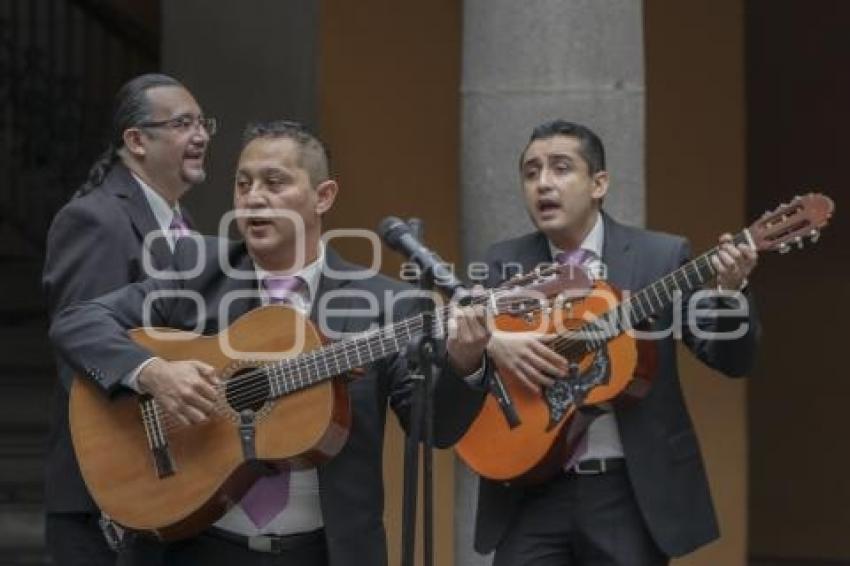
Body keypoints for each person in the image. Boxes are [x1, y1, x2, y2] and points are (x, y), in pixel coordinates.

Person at [49, 120, 489, 566]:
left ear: (324, 197)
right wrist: (153, 373)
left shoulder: (386, 303)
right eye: (243, 184)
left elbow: (435, 427)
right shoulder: (192, 270)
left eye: (274, 182)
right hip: (191, 546)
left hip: (322, 553)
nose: (253, 197)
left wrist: (465, 360)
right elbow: (78, 321)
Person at [472, 120, 759, 565]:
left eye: (561, 168)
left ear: (599, 183)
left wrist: (728, 294)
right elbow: (460, 351)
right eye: (531, 173)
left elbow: (728, 358)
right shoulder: (504, 263)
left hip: (627, 493)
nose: (543, 183)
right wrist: (492, 342)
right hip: (530, 492)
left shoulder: (660, 257)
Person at [41, 73, 213, 565]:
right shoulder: (97, 218)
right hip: (105, 498)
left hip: (161, 491)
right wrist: (154, 374)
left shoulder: (182, 226)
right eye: (183, 123)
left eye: (203, 123)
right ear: (136, 141)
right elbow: (79, 343)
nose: (200, 135)